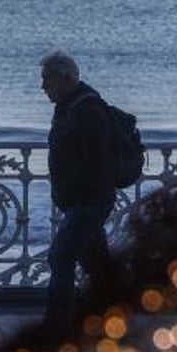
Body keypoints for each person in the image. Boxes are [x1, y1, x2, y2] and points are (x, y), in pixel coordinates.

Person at [40, 51, 115, 332]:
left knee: (60, 256)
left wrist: (71, 191)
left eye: (48, 80)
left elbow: (96, 160)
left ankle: (57, 326)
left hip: (89, 201)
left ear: (67, 78)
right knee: (96, 263)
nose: (43, 87)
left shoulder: (86, 109)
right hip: (81, 201)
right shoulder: (69, 105)